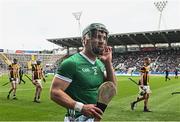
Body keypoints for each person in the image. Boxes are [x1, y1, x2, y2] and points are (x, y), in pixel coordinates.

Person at [50, 23, 116, 121]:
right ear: (84, 40)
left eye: (104, 38)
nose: (102, 41)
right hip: (77, 119)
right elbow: (54, 92)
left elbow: (112, 88)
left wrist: (108, 63)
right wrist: (81, 107)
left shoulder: (100, 63)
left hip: (94, 118)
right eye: (97, 37)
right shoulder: (72, 63)